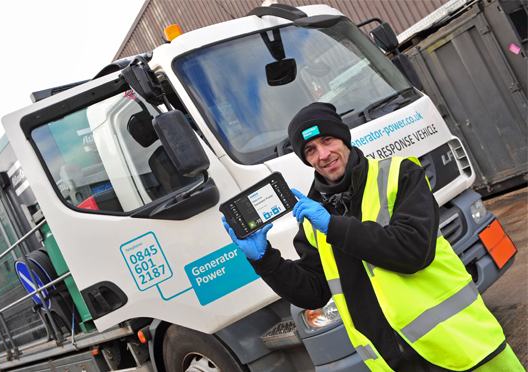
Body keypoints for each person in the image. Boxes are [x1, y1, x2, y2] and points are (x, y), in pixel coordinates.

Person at [222, 102, 523, 371]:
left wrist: (334, 226)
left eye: (327, 140)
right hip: (393, 361)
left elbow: (413, 250)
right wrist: (265, 260)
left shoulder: (400, 174)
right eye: (310, 150)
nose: (323, 155)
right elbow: (314, 293)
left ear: (344, 138)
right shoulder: (312, 215)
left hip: (463, 346)